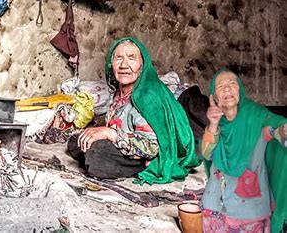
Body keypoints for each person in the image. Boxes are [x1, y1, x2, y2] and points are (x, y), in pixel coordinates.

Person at [67, 37, 199, 184]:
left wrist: (111, 134)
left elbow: (152, 148)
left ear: (142, 66)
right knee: (76, 141)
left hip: (149, 152)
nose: (124, 65)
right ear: (111, 64)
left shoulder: (147, 97)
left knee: (97, 154)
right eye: (118, 58)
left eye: (131, 58)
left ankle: (128, 166)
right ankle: (98, 157)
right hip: (124, 143)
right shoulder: (119, 92)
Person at [200, 69, 287, 233]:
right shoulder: (216, 126)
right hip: (215, 207)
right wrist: (213, 124)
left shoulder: (256, 116)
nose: (227, 89)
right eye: (220, 86)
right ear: (215, 97)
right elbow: (207, 154)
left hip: (250, 212)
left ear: (240, 90)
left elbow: (278, 129)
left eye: (232, 84)